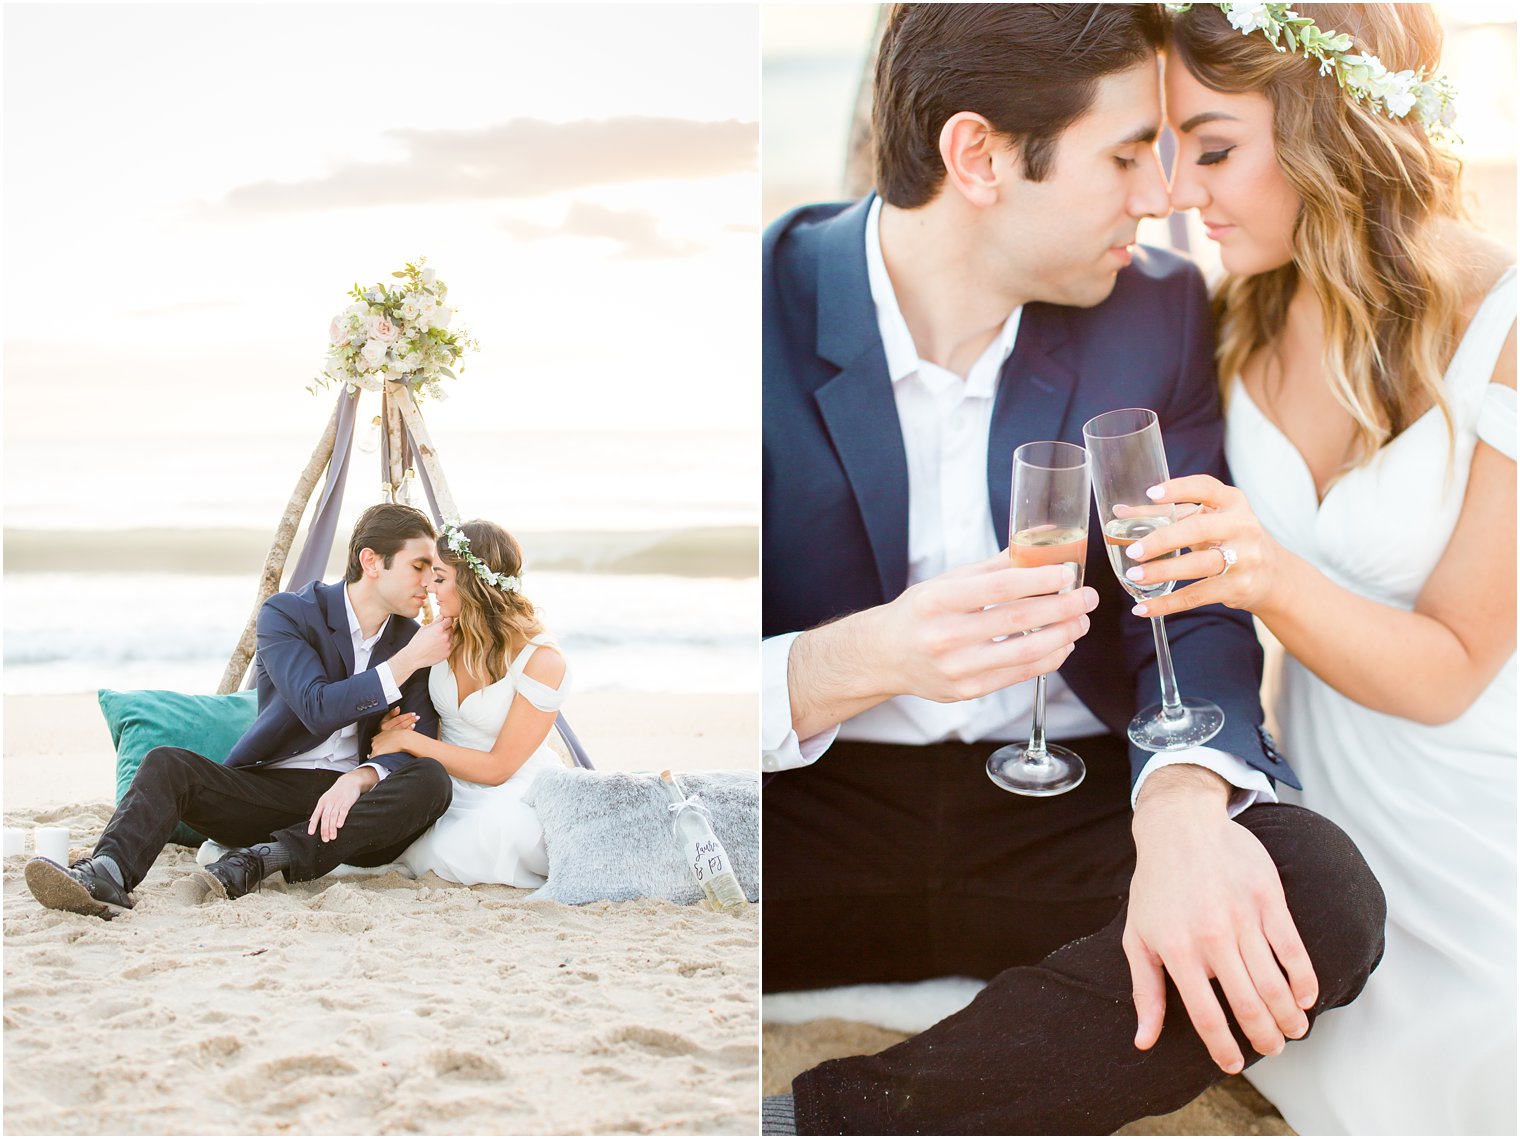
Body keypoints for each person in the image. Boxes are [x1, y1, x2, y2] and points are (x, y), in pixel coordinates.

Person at [760, 5, 1387, 1134]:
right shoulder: (754, 305)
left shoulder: (1151, 307)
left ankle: (824, 1122)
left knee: (1313, 894)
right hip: (813, 812)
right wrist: (850, 658)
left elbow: (1187, 601)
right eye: (1121, 154)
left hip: (1067, 810)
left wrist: (1187, 801)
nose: (1159, 195)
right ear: (979, 155)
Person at [1118, 4, 1515, 1133]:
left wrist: (1264, 572)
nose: (1178, 189)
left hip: (1471, 801)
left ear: (1321, 127)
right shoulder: (1236, 310)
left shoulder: (1508, 326)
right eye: (1160, 149)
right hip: (1309, 794)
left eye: (1211, 145)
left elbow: (1449, 668)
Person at [25, 502, 456, 918]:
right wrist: (402, 666)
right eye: (418, 567)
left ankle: (268, 857)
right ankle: (107, 874)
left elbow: (413, 744)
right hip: (270, 791)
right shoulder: (291, 614)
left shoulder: (411, 641)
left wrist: (361, 777)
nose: (429, 584)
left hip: (352, 816)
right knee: (167, 763)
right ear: (371, 561)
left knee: (432, 779)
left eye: (434, 573)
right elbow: (315, 706)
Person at [366, 519, 570, 888]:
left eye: (440, 577)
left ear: (474, 584)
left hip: (509, 785)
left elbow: (498, 769)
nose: (428, 586)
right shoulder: (442, 636)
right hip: (443, 782)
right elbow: (420, 714)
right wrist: (394, 728)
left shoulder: (541, 660)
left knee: (504, 832)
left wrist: (409, 742)